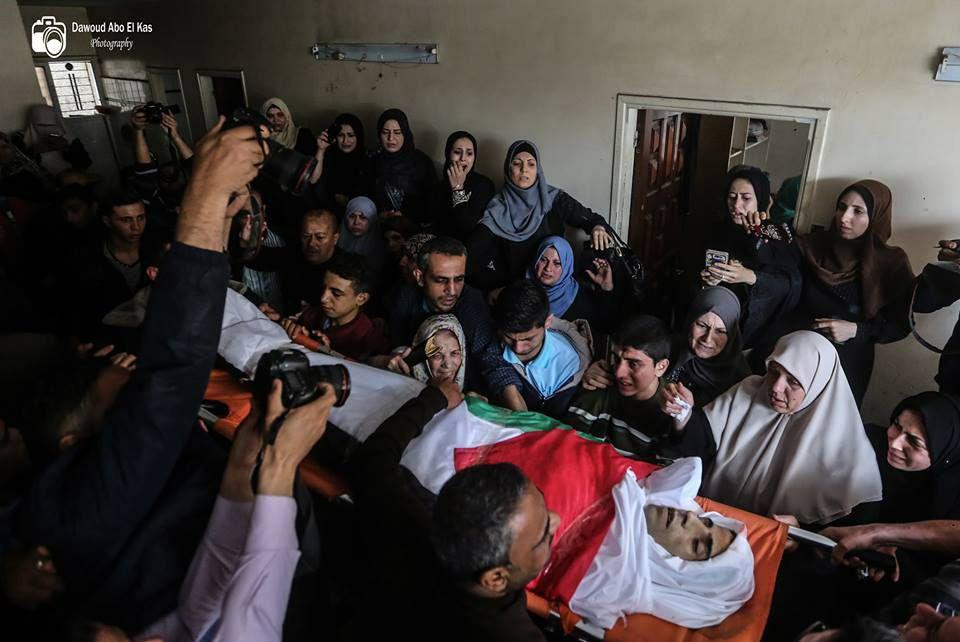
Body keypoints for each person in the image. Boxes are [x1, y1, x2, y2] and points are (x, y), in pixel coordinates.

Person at [13, 115, 268, 631]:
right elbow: (172, 373)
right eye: (125, 395)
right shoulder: (81, 512)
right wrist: (202, 196)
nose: (139, 386)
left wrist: (216, 220)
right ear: (73, 444)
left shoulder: (70, 504)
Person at [348, 380, 558, 641]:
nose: (557, 519)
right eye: (544, 533)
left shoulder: (399, 522)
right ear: (495, 579)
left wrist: (434, 398)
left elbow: (374, 458)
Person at [663, 330, 882, 525]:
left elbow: (828, 528)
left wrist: (798, 531)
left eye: (793, 381)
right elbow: (703, 443)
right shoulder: (750, 390)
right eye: (774, 372)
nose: (776, 387)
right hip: (704, 516)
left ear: (817, 384)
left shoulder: (840, 441)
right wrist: (684, 414)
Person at [761, 180, 916, 407]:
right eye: (842, 207)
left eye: (858, 211)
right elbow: (777, 267)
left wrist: (856, 330)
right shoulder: (812, 246)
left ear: (876, 216)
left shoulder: (890, 263)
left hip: (845, 363)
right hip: (794, 353)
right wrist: (760, 232)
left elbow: (901, 324)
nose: (844, 218)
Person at [820, 392, 960, 587]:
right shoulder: (867, 444)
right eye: (896, 425)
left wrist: (894, 554)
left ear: (944, 452)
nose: (895, 443)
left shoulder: (950, 498)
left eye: (914, 442)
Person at [376, 236, 525, 409]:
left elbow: (491, 359)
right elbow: (397, 349)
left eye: (459, 279)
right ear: (420, 277)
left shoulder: (472, 304)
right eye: (441, 280)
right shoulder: (405, 299)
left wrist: (519, 412)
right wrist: (393, 360)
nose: (452, 291)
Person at [467, 140, 613, 290]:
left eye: (531, 164)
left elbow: (592, 219)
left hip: (553, 290)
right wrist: (492, 291)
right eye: (517, 163)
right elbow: (473, 255)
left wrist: (597, 227)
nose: (524, 170)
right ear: (508, 168)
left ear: (538, 170)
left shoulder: (554, 199)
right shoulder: (497, 208)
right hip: (517, 292)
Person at [697, 165, 801, 347]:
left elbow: (791, 285)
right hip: (713, 324)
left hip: (758, 333)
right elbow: (694, 277)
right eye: (732, 197)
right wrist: (708, 281)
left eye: (746, 198)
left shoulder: (778, 234)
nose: (736, 205)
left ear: (760, 200)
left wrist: (750, 277)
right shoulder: (715, 231)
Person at [566, 315, 674, 458]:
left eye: (633, 364)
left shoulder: (673, 410)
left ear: (661, 367)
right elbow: (569, 445)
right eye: (616, 359)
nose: (618, 373)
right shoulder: (600, 383)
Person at [490, 279, 592, 417]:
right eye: (509, 337)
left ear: (547, 322)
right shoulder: (492, 345)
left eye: (528, 339)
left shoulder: (572, 366)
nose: (518, 348)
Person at [68, 191, 150, 340]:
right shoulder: (88, 259)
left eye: (141, 218)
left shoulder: (156, 252)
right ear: (107, 221)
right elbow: (76, 309)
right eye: (126, 220)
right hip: (109, 340)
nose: (136, 226)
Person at [280, 252, 387, 361]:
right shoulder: (312, 314)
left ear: (361, 298)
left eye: (336, 294)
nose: (323, 298)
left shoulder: (369, 341)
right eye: (323, 288)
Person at [242, 208, 341, 314]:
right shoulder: (294, 254)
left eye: (320, 237)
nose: (311, 243)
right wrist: (246, 242)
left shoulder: (344, 269)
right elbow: (258, 259)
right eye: (306, 236)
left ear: (335, 238)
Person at [664, 286, 751, 406]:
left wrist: (689, 413)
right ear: (690, 320)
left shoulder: (742, 384)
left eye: (720, 331)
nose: (707, 339)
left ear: (732, 336)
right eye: (702, 325)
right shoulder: (666, 349)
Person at [527, 235, 618, 333]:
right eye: (543, 260)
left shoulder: (579, 298)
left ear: (567, 266)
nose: (548, 268)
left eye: (557, 263)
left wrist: (607, 286)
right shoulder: (523, 290)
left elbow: (607, 327)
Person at [371, 108, 436, 227]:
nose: (391, 138)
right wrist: (379, 215)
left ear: (405, 134)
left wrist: (406, 215)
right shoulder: (372, 161)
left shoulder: (421, 162)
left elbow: (431, 201)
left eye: (397, 132)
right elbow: (364, 199)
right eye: (385, 132)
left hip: (414, 227)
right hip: (377, 226)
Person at [431, 131, 495, 241]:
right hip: (440, 244)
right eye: (457, 152)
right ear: (448, 154)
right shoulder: (438, 187)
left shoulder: (484, 185)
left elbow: (467, 226)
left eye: (469, 153)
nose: (463, 158)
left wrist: (458, 188)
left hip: (468, 246)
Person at [308, 112, 371, 210]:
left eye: (351, 135)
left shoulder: (367, 159)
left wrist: (349, 201)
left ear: (358, 136)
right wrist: (321, 149)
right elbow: (313, 180)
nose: (345, 141)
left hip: (357, 213)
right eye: (341, 135)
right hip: (326, 212)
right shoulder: (330, 155)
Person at [336, 195, 384, 278]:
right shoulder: (333, 243)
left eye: (363, 217)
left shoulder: (384, 250)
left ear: (372, 221)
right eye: (352, 216)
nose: (356, 222)